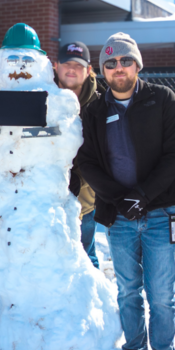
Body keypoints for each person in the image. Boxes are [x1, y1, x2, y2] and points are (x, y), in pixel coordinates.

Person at [75, 32, 175, 350]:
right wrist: (117, 198)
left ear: (137, 64)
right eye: (110, 63)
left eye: (125, 61)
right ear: (102, 70)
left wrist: (144, 195)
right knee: (127, 291)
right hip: (119, 216)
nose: (118, 68)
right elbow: (86, 160)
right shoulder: (93, 110)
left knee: (162, 295)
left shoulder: (161, 99)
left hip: (159, 212)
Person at [54, 41, 104, 268]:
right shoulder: (42, 98)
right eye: (66, 63)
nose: (71, 69)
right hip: (48, 197)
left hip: (86, 200)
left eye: (78, 64)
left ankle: (91, 303)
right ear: (55, 66)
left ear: (89, 70)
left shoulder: (102, 105)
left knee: (85, 257)